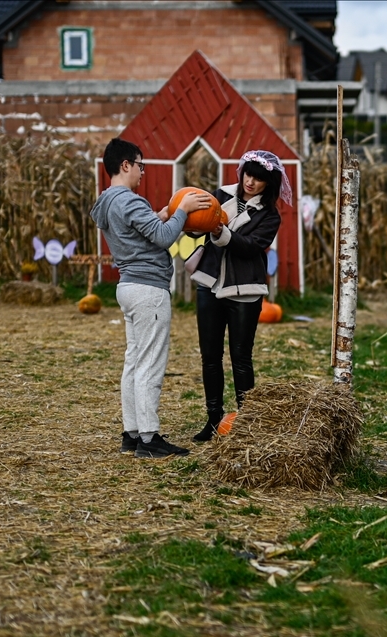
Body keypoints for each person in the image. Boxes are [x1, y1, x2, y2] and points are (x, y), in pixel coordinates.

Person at [91, 137, 213, 458]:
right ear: (125, 165)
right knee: (150, 363)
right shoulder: (129, 200)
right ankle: (149, 438)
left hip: (128, 286)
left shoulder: (108, 202)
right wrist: (182, 211)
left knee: (133, 362)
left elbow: (141, 231)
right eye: (140, 165)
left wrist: (159, 215)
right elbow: (163, 238)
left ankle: (131, 434)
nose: (142, 172)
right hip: (148, 290)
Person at [189, 149, 291, 441]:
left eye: (259, 179)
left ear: (268, 184)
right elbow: (197, 225)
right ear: (242, 172)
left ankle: (246, 422)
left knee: (241, 356)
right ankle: (213, 419)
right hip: (209, 283)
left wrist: (219, 230)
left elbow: (249, 246)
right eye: (248, 174)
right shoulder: (218, 196)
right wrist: (192, 224)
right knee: (210, 356)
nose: (250, 182)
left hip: (245, 289)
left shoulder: (270, 216)